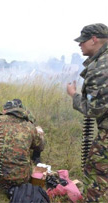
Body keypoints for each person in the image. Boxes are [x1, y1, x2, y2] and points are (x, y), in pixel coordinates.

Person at [67, 23, 108, 202]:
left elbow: (94, 109)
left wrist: (74, 95)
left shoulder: (100, 68)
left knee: (95, 173)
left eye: (82, 41)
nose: (79, 45)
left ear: (94, 39)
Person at [0, 99, 45, 192]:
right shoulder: (29, 126)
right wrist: (39, 134)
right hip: (23, 179)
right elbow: (40, 147)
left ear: (5, 110)